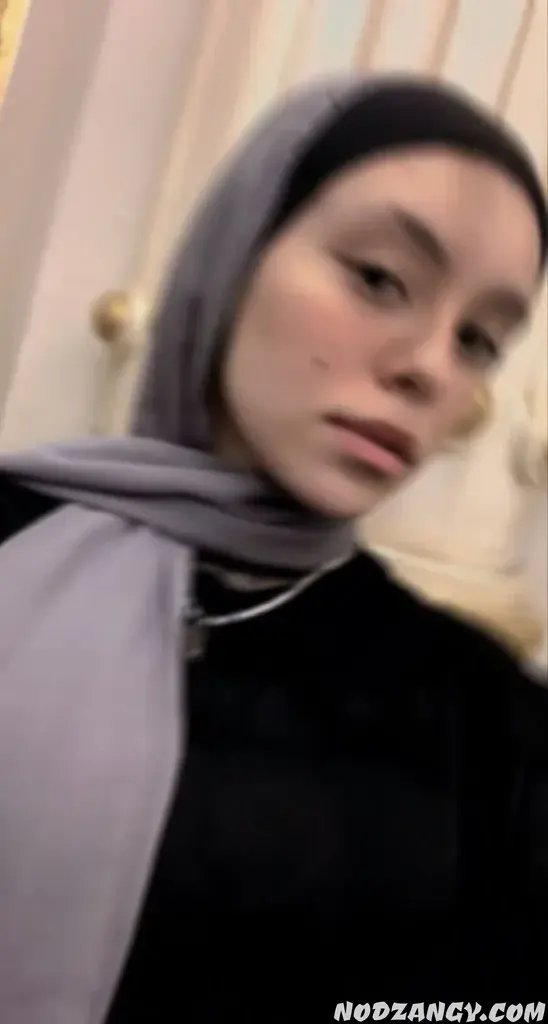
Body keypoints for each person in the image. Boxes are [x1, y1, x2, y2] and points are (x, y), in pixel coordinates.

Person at [0, 75, 546, 1024]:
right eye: (379, 280)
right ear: (239, 250)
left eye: (479, 340)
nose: (430, 367)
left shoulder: (489, 727)